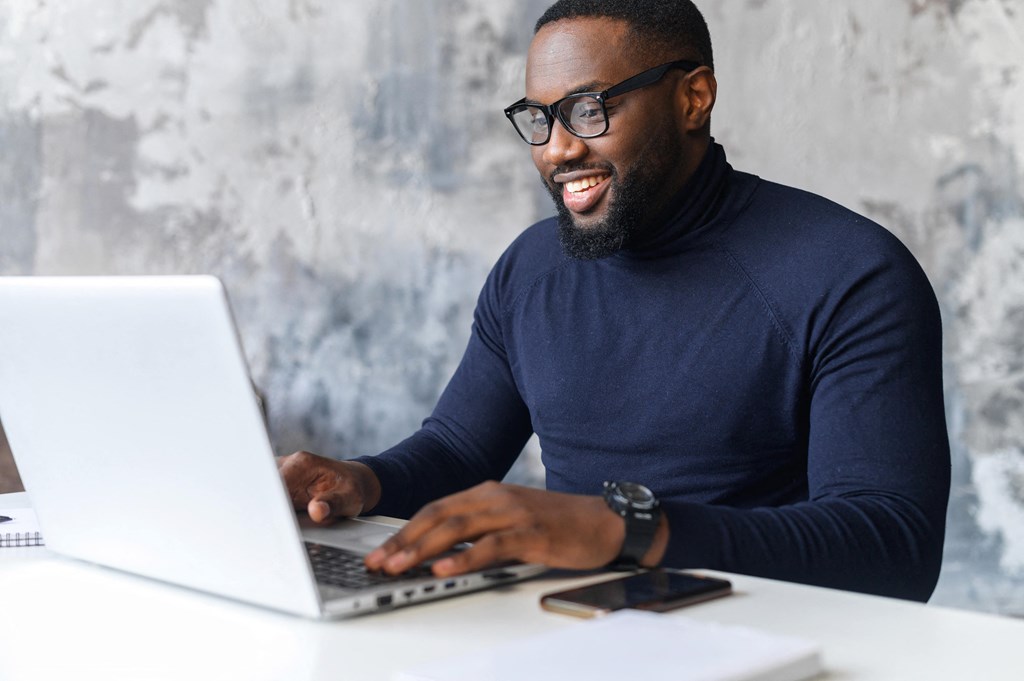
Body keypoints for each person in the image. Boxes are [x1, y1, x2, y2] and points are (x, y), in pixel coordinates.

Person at [278, 0, 950, 602]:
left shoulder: (849, 271)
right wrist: (361, 482)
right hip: (565, 628)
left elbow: (891, 547)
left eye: (589, 109)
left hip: (760, 635)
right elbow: (455, 452)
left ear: (695, 97)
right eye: (539, 119)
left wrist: (628, 527)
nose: (559, 148)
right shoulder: (530, 269)